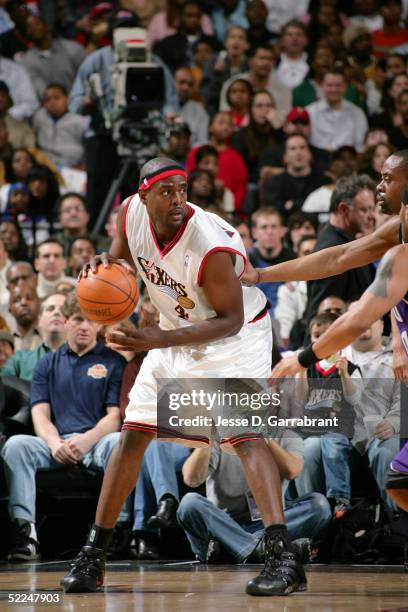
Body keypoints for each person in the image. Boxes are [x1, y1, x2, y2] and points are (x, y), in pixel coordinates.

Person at [60, 157, 306, 596]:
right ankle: (94, 554)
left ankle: (283, 558)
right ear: (143, 195)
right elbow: (121, 259)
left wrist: (154, 339)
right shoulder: (130, 213)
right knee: (132, 436)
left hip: (236, 338)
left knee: (244, 436)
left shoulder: (208, 246)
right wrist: (105, 263)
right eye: (167, 191)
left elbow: (229, 320)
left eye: (183, 189)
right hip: (177, 329)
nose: (177, 199)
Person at [270, 196, 408, 514]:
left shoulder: (397, 255)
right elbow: (338, 258)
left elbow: (359, 316)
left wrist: (301, 358)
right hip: (345, 430)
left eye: (388, 178)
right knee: (397, 475)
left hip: (376, 428)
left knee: (394, 466)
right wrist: (265, 275)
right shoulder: (395, 239)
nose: (379, 187)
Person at [1, 292, 126, 561]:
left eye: (91, 321)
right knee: (16, 445)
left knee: (119, 442)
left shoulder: (113, 361)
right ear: (67, 321)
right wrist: (55, 443)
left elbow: (113, 417)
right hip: (56, 444)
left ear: (99, 326)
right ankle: (26, 534)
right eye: (78, 319)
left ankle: (117, 530)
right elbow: (40, 414)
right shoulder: (46, 364)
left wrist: (87, 440)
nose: (84, 326)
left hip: (96, 442)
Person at [177, 433, 331, 564]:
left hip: (268, 526)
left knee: (319, 505)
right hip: (222, 525)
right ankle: (263, 549)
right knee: (189, 503)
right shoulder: (220, 435)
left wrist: (264, 438)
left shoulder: (286, 435)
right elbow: (191, 479)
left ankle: (237, 549)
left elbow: (292, 470)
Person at [294, 312, 363, 519]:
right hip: (311, 429)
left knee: (333, 449)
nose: (322, 341)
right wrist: (300, 371)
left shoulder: (349, 368)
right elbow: (301, 398)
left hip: (337, 427)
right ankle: (308, 503)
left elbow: (354, 399)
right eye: (317, 335)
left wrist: (344, 375)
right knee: (305, 450)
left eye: (329, 334)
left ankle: (340, 497)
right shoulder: (308, 368)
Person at [262, 133, 330, 221]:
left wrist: (292, 205)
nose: (298, 152)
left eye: (302, 147)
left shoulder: (324, 181)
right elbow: (272, 212)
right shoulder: (273, 183)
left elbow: (326, 209)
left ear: (310, 154)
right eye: (293, 148)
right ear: (285, 157)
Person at [219, 45, 292, 126]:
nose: (266, 63)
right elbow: (224, 115)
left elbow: (283, 120)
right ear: (250, 61)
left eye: (270, 59)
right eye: (261, 58)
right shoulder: (232, 84)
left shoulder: (283, 90)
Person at [1, 291, 67, 380]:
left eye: (63, 310)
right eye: (50, 309)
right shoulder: (19, 361)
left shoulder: (86, 361)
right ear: (39, 320)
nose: (56, 313)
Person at [18, 13, 86, 99]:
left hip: (82, 100)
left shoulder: (73, 48)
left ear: (46, 26)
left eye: (37, 23)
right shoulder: (26, 62)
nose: (34, 28)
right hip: (52, 106)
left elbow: (86, 77)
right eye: (28, 26)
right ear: (26, 33)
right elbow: (41, 90)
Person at [306, 68, 369, 153]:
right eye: (329, 85)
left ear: (345, 87)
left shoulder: (357, 113)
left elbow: (360, 146)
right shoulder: (310, 112)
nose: (334, 89)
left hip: (348, 161)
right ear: (322, 86)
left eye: (338, 85)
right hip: (317, 161)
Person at [248, 207, 296, 315]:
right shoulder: (246, 261)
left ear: (282, 231)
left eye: (274, 227)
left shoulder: (294, 259)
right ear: (254, 232)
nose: (269, 232)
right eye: (264, 227)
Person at [32, 83, 88, 168]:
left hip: (72, 165)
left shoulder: (80, 121)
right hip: (45, 164)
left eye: (57, 98)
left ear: (67, 98)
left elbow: (88, 148)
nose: (52, 102)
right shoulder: (39, 116)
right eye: (47, 99)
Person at [174, 67, 209, 145]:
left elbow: (202, 141)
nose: (186, 87)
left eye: (190, 85)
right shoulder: (160, 105)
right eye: (182, 82)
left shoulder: (199, 110)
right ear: (173, 83)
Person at [8, 282, 41, 351]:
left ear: (39, 304)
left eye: (29, 298)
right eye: (17, 300)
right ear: (10, 309)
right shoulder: (4, 341)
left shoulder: (52, 337)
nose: (23, 302)